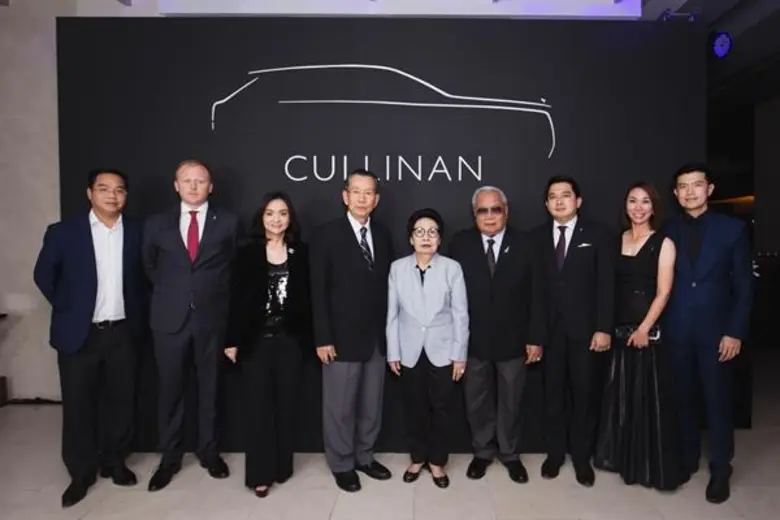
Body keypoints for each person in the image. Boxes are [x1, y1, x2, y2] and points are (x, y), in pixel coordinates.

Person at [33, 169, 147, 507]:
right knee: (78, 405)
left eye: (119, 190)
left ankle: (115, 461)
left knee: (121, 402)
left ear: (126, 196)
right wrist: (70, 308)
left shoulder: (138, 231)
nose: (112, 195)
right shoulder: (63, 233)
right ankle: (81, 472)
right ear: (89, 193)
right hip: (79, 334)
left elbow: (146, 278)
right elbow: (43, 275)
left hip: (123, 331)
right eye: (104, 189)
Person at [142, 159, 240, 491]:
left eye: (200, 181)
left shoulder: (228, 222)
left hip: (211, 321)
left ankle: (209, 452)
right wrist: (178, 294)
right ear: (176, 185)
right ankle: (170, 458)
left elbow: (232, 268)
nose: (194, 186)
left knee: (210, 390)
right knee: (170, 391)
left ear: (211, 186)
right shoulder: (156, 224)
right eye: (187, 181)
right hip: (168, 321)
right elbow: (149, 266)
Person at [663, 163, 754, 503]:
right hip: (677, 329)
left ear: (709, 189)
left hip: (717, 332)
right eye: (683, 186)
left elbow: (744, 286)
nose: (690, 192)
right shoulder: (667, 229)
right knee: (683, 398)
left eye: (697, 185)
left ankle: (720, 469)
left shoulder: (733, 229)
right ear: (676, 193)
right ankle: (688, 458)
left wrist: (735, 331)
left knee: (718, 401)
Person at [449, 186, 546, 484]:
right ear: (474, 214)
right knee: (476, 400)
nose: (489, 216)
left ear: (506, 211)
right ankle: (482, 452)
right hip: (472, 339)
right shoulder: (460, 243)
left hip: (514, 339)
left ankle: (510, 454)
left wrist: (536, 337)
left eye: (496, 209)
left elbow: (538, 294)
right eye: (483, 210)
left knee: (511, 400)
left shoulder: (526, 243)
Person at [309, 168, 394, 492]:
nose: (362, 198)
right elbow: (318, 291)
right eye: (356, 191)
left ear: (376, 199)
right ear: (345, 196)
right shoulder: (326, 234)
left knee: (372, 406)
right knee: (340, 407)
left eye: (368, 192)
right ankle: (342, 463)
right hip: (340, 338)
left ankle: (364, 456)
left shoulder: (383, 234)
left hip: (377, 338)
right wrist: (323, 338)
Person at [594, 182, 682, 491]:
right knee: (623, 399)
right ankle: (624, 460)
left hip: (648, 335)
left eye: (645, 202)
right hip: (619, 332)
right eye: (633, 201)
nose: (639, 207)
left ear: (654, 208)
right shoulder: (617, 240)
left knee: (648, 401)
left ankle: (647, 467)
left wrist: (645, 329)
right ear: (626, 206)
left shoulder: (664, 242)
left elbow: (664, 291)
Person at [224, 192, 312, 498]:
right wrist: (232, 340)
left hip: (290, 341)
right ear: (261, 217)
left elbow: (308, 299)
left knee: (286, 406)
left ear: (290, 218)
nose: (277, 219)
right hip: (256, 341)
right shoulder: (246, 252)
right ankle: (260, 474)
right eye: (270, 213)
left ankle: (282, 466)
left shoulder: (301, 252)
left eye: (283, 213)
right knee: (258, 409)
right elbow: (235, 298)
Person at [531, 175, 615, 487]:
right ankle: (555, 454)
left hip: (587, 333)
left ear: (578, 201)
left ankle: (582, 458)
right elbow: (534, 292)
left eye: (565, 195)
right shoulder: (536, 237)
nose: (559, 201)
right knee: (552, 395)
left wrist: (603, 328)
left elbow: (606, 285)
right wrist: (535, 336)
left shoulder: (598, 234)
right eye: (553, 196)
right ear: (546, 203)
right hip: (550, 334)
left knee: (584, 395)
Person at [386, 208, 468, 488]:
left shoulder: (452, 268)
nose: (426, 237)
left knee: (441, 408)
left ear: (439, 239)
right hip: (409, 350)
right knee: (414, 407)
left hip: (443, 351)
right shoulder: (397, 268)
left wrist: (459, 356)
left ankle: (437, 461)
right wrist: (393, 352)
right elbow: (392, 314)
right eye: (419, 232)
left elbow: (460, 315)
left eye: (432, 232)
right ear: (411, 239)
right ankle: (417, 457)